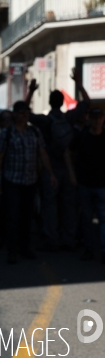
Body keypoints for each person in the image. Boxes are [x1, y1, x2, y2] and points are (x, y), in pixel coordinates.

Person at [0, 101, 57, 264]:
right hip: (12, 180)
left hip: (30, 181)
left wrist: (50, 173)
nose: (24, 116)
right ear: (15, 114)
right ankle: (12, 250)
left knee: (27, 216)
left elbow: (42, 153)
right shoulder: (7, 134)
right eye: (21, 112)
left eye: (27, 113)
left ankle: (25, 247)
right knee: (13, 216)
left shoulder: (34, 132)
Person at [25, 80, 77, 251]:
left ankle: (51, 237)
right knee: (68, 204)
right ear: (62, 102)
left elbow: (25, 114)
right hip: (68, 168)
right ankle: (69, 237)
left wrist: (31, 91)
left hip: (51, 167)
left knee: (50, 204)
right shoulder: (69, 118)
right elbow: (86, 105)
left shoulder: (45, 121)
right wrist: (78, 82)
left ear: (49, 102)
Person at [71, 108, 105, 262]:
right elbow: (68, 151)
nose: (97, 121)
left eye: (100, 117)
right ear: (89, 119)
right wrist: (72, 174)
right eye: (94, 118)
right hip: (85, 183)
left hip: (102, 185)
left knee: (103, 219)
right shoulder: (82, 136)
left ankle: (102, 250)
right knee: (86, 219)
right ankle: (89, 249)